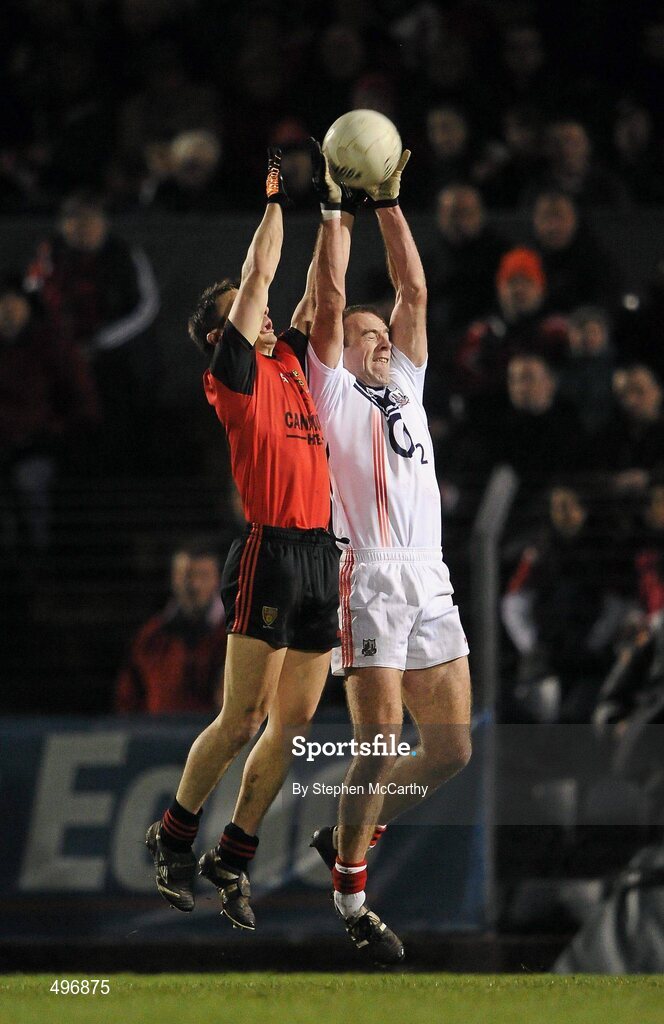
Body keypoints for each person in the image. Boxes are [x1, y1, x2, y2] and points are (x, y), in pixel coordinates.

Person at [145, 149, 340, 935]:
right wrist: (273, 200)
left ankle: (233, 853)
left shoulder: (286, 361)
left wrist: (336, 211)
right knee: (241, 718)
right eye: (239, 311)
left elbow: (311, 294)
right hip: (270, 551)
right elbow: (261, 278)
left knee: (290, 726)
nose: (255, 314)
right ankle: (173, 835)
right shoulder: (234, 373)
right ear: (218, 334)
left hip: (321, 554)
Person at [306, 145, 472, 962]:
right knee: (376, 742)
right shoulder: (331, 388)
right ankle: (349, 889)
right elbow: (331, 299)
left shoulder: (406, 379)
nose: (379, 338)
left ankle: (347, 835)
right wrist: (336, 209)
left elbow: (414, 289)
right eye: (365, 334)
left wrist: (391, 202)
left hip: (429, 570)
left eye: (383, 334)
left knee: (450, 749)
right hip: (367, 572)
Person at [115, 542, 227, 714]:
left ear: (217, 579)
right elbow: (127, 699)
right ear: (173, 578)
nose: (194, 585)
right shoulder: (150, 637)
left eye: (203, 575)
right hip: (158, 737)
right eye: (186, 575)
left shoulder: (234, 636)